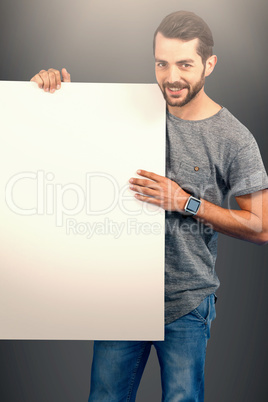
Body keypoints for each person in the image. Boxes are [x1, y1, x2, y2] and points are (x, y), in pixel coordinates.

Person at [30, 10, 268, 402]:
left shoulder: (234, 137)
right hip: (120, 296)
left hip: (187, 302)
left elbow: (261, 227)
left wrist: (185, 201)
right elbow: (67, 146)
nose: (171, 76)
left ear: (209, 64)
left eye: (185, 64)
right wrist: (60, 101)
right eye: (162, 63)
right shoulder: (126, 111)